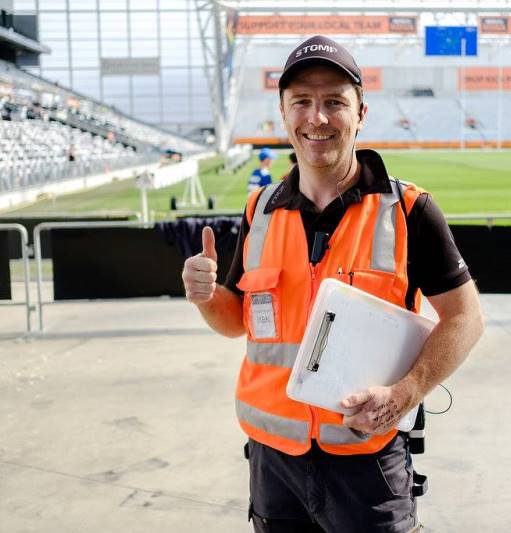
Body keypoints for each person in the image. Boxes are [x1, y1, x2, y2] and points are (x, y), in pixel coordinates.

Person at [182, 35, 484, 533]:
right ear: (283, 112)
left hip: (366, 462)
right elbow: (235, 322)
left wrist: (407, 392)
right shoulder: (259, 210)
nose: (316, 118)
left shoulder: (408, 211)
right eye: (301, 101)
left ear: (360, 113)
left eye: (334, 102)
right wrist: (206, 295)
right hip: (273, 462)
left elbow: (467, 317)